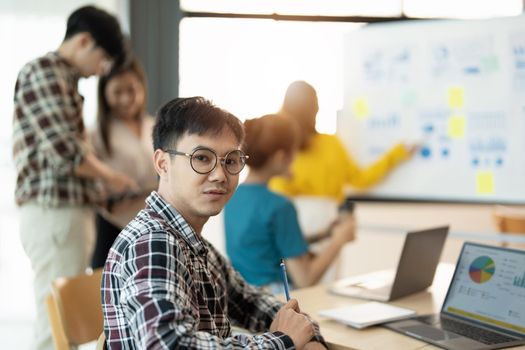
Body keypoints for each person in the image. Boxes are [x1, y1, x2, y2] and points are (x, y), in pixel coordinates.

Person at [101, 97, 328, 350]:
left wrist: (306, 336)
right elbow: (170, 345)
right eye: (202, 158)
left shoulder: (197, 247)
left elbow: (259, 305)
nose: (220, 175)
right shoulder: (153, 242)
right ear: (163, 164)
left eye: (230, 161)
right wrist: (283, 341)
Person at [12, 6, 136, 350]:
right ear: (84, 42)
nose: (100, 71)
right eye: (102, 61)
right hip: (55, 211)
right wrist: (112, 177)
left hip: (62, 213)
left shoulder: (60, 78)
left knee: (57, 314)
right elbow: (65, 150)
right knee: (56, 319)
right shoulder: (46, 72)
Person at [225, 114, 355, 290]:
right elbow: (305, 278)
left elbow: (265, 243)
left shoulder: (232, 197)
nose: (295, 160)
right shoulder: (279, 206)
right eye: (294, 153)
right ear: (280, 157)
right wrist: (338, 240)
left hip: (242, 299)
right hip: (276, 302)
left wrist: (323, 235)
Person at [269, 80, 417, 203]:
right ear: (314, 109)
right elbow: (361, 179)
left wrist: (396, 153)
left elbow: (360, 178)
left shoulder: (329, 143)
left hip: (324, 231)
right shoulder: (289, 151)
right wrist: (396, 154)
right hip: (319, 231)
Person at [90, 56, 158, 268]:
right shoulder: (96, 133)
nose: (126, 98)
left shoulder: (153, 126)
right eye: (117, 92)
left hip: (149, 222)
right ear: (104, 94)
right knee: (105, 286)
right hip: (111, 223)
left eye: (132, 90)